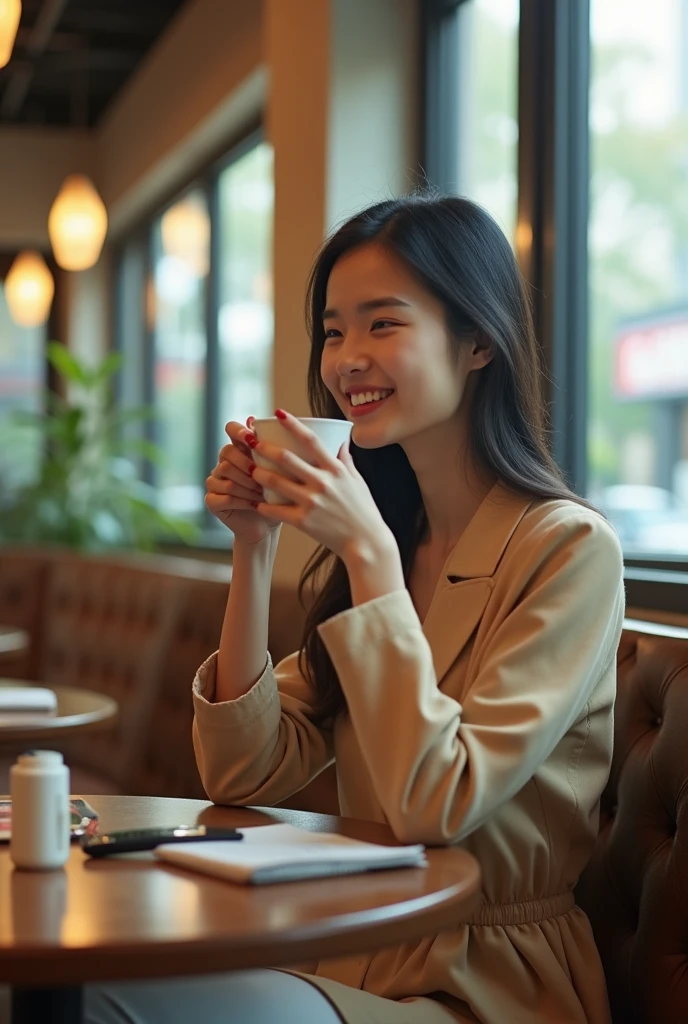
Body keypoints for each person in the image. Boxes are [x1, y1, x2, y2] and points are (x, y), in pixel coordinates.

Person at [85, 193, 625, 1024]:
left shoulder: (567, 550)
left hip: (484, 984)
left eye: (384, 324)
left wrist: (367, 553)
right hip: (353, 951)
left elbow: (438, 804)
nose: (347, 360)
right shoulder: (399, 540)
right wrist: (253, 544)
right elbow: (242, 771)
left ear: (478, 340)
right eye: (335, 331)